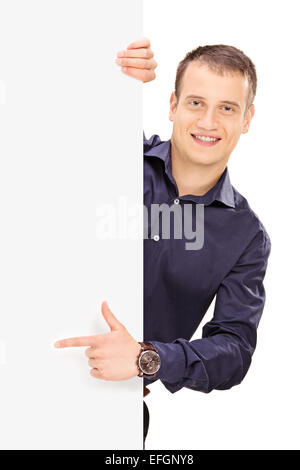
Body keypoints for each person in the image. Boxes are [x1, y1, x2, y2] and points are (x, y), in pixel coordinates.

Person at [54, 38, 271, 447]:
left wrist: (145, 357)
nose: (208, 122)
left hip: (113, 412)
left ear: (247, 118)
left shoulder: (246, 237)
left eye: (227, 108)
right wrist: (111, 72)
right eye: (195, 103)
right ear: (172, 105)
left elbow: (234, 350)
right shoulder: (116, 153)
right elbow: (53, 117)